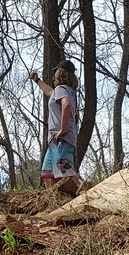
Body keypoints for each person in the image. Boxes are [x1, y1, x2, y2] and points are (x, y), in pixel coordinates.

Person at [29, 59, 81, 193]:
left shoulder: (61, 89)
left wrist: (62, 129)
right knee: (47, 173)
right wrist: (37, 80)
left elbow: (66, 104)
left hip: (62, 137)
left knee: (65, 169)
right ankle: (52, 202)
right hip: (55, 139)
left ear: (61, 73)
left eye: (57, 71)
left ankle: (87, 195)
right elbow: (49, 92)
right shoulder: (65, 90)